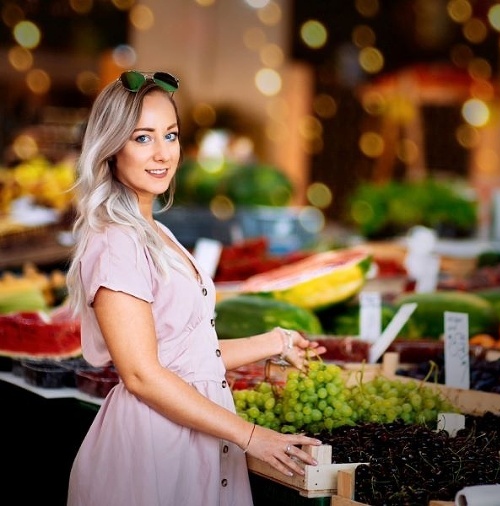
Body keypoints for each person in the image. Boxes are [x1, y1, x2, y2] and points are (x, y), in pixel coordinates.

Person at [65, 71, 325, 506]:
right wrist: (253, 436)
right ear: (111, 148)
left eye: (171, 135)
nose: (163, 153)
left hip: (197, 442)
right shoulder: (116, 241)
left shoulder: (155, 232)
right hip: (154, 453)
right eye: (142, 138)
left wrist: (274, 342)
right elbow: (142, 375)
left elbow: (189, 357)